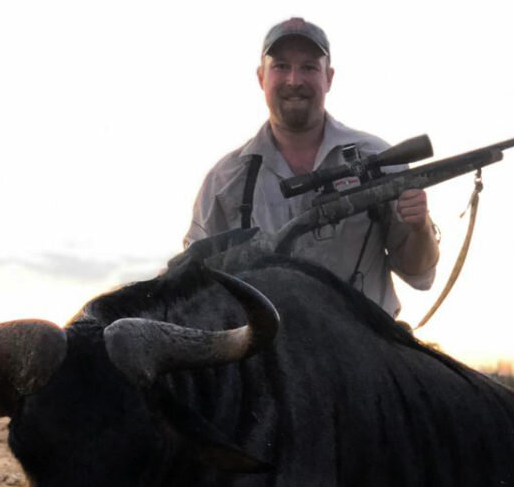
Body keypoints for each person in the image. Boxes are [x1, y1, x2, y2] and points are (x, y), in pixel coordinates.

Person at [184, 17, 440, 317]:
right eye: (281, 66)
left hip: (365, 355)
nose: (294, 80)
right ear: (260, 78)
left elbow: (419, 274)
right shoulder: (224, 180)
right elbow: (192, 284)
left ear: (328, 78)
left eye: (309, 67)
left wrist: (420, 226)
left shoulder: (380, 158)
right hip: (266, 359)